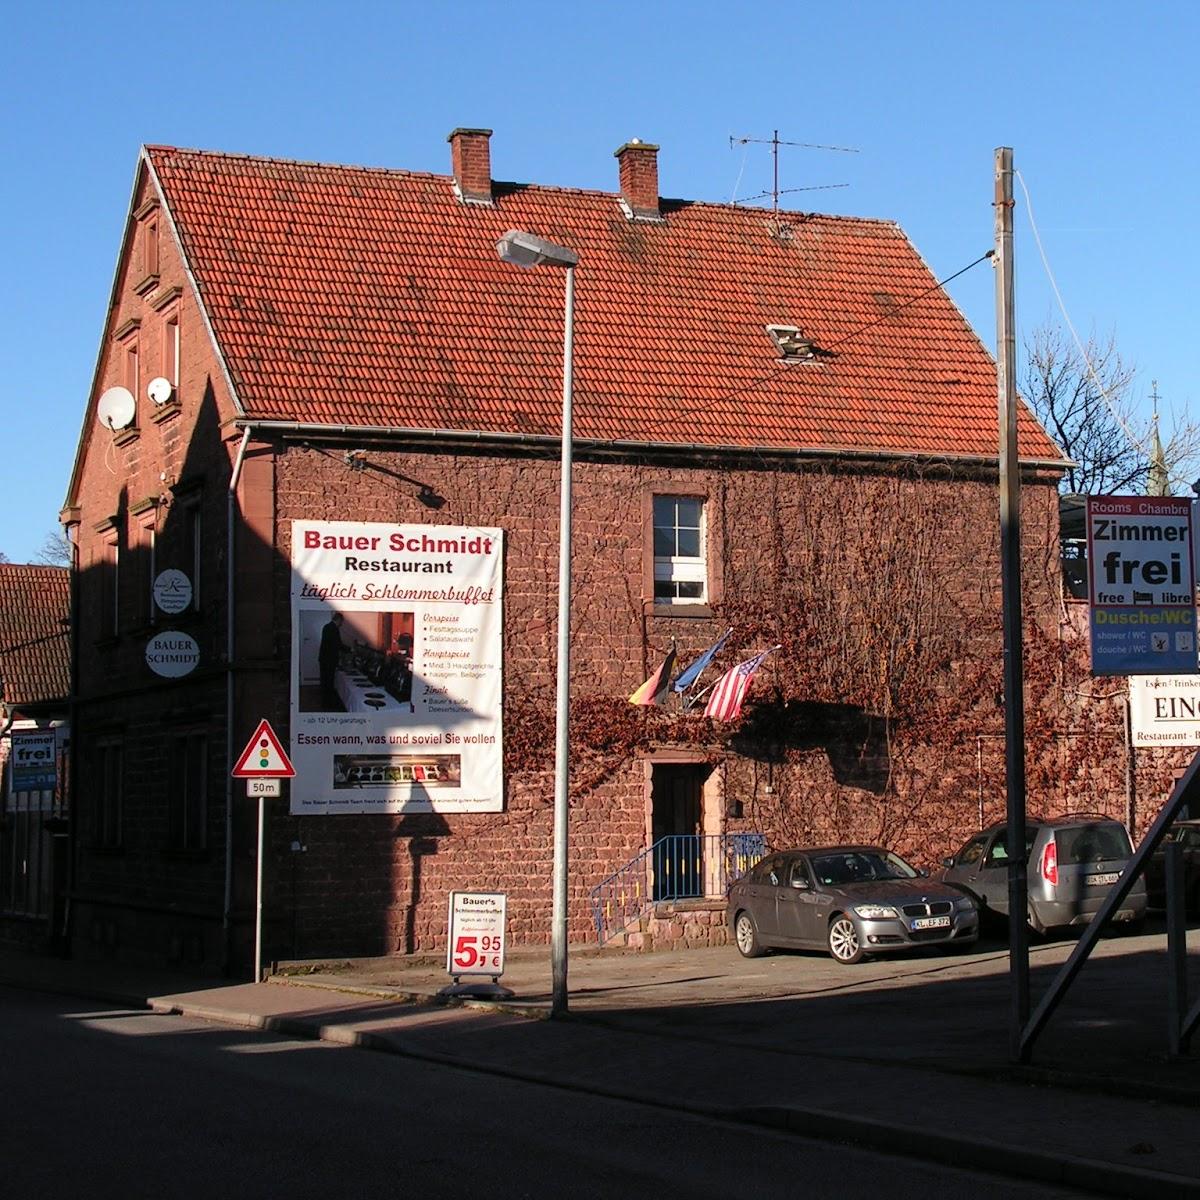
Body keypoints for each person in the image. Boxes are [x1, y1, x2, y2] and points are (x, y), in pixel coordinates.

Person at [318, 612, 346, 709]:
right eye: (341, 622)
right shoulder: (334, 629)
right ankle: (328, 704)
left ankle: (325, 702)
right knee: (328, 681)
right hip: (329, 660)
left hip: (324, 659)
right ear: (338, 620)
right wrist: (350, 650)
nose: (341, 624)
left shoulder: (327, 627)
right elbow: (337, 645)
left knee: (325, 681)